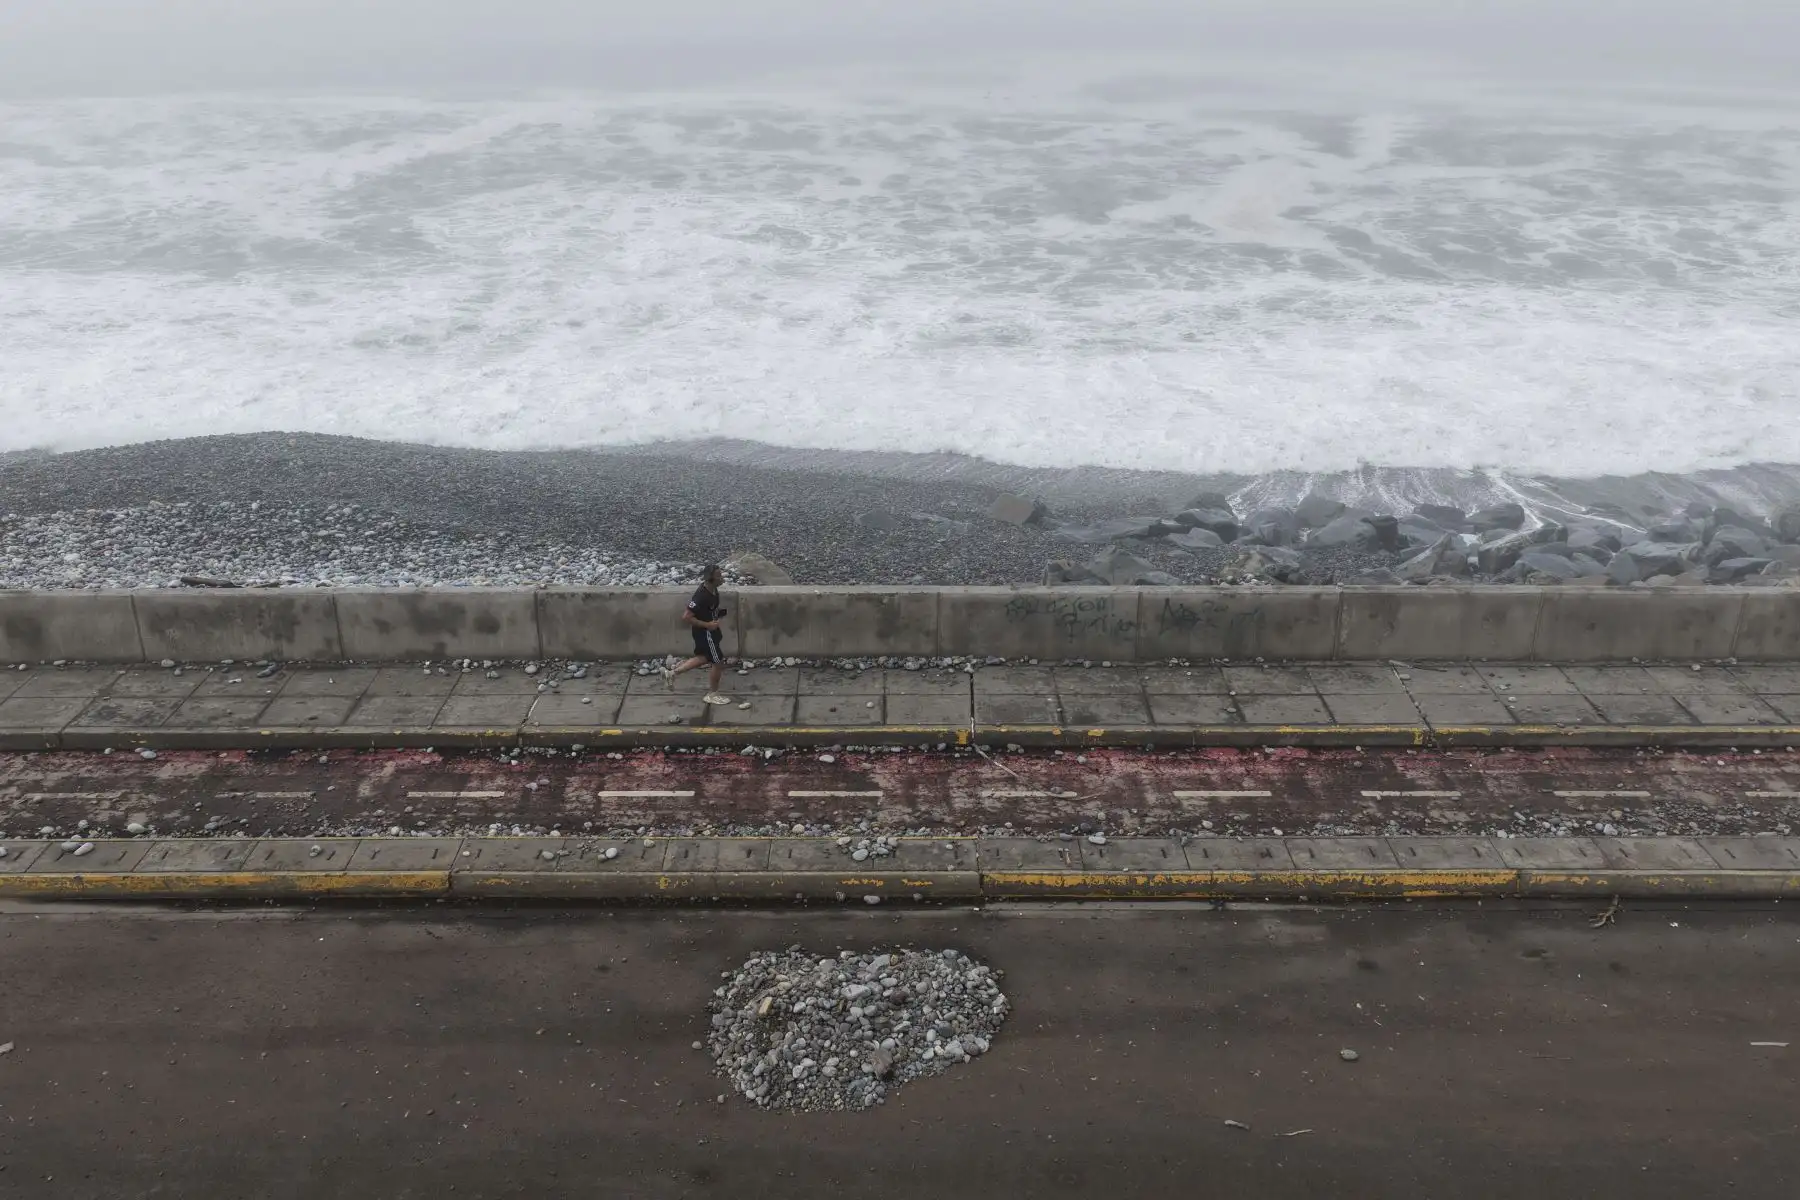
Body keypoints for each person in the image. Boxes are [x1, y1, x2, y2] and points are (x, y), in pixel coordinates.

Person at [663, 564, 732, 705]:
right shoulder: (701, 596)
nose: (722, 578)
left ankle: (672, 674)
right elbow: (686, 617)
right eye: (719, 576)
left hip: (710, 632)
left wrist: (717, 614)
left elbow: (708, 609)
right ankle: (712, 694)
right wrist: (708, 625)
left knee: (703, 657)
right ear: (711, 579)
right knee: (718, 662)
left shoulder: (713, 590)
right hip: (706, 634)